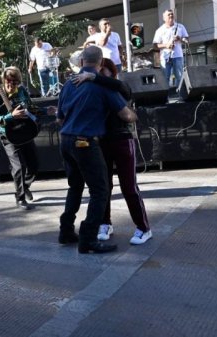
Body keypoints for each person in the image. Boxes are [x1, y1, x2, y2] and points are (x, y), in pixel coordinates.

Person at [56, 46, 137, 254]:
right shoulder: (102, 86)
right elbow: (127, 116)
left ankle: (66, 231)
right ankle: (88, 239)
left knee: (75, 187)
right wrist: (134, 115)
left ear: (82, 61)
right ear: (101, 63)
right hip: (85, 142)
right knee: (100, 191)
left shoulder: (68, 84)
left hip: (65, 139)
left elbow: (60, 117)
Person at [71, 58, 152, 245]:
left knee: (129, 187)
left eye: (103, 70)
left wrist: (93, 76)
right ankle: (105, 223)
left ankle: (143, 228)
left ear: (110, 71)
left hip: (123, 140)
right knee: (103, 187)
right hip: (102, 142)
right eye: (98, 70)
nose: (100, 74)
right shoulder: (95, 91)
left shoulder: (119, 87)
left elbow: (122, 88)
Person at [0, 67, 56, 210]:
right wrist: (10, 116)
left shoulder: (22, 91)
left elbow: (31, 108)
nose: (11, 84)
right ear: (3, 81)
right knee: (19, 166)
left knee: (34, 165)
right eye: (8, 81)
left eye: (14, 82)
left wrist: (46, 110)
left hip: (24, 131)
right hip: (7, 135)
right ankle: (20, 198)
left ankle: (24, 186)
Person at [153, 9, 189, 87]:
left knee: (179, 77)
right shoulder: (160, 30)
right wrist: (166, 45)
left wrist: (180, 38)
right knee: (165, 78)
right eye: (168, 14)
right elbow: (155, 45)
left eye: (172, 14)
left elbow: (187, 40)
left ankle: (180, 95)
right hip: (165, 57)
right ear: (164, 18)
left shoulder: (180, 27)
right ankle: (166, 97)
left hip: (178, 56)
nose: (171, 16)